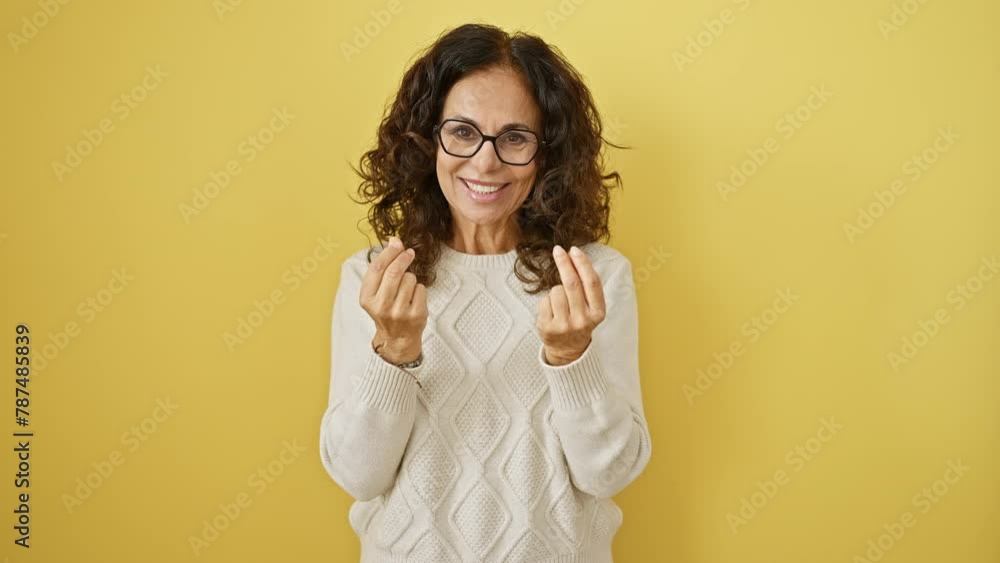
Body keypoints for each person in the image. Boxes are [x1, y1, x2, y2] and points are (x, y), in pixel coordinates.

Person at [319, 22, 652, 563]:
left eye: (515, 137)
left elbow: (606, 474)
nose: (486, 162)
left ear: (548, 154)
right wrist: (393, 353)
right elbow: (359, 476)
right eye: (463, 132)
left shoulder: (595, 277)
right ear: (428, 141)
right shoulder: (374, 279)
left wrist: (572, 358)